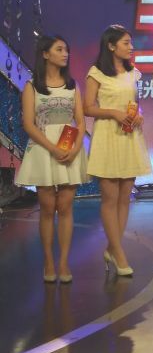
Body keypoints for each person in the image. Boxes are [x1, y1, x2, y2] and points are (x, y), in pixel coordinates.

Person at [16, 35, 88, 283]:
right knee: (47, 208)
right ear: (45, 54)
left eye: (66, 49)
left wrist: (76, 148)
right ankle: (48, 261)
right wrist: (52, 148)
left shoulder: (72, 85)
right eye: (59, 49)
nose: (65, 53)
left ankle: (64, 261)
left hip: (69, 148)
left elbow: (81, 121)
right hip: (43, 149)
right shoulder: (32, 86)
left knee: (65, 207)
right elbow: (28, 124)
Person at [84, 25, 152, 276]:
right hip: (107, 136)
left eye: (130, 43)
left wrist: (138, 114)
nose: (131, 47)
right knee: (110, 198)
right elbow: (87, 108)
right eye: (125, 43)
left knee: (125, 197)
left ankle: (113, 248)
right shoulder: (96, 73)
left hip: (129, 135)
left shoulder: (133, 73)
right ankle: (119, 254)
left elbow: (135, 104)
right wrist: (113, 113)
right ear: (111, 46)